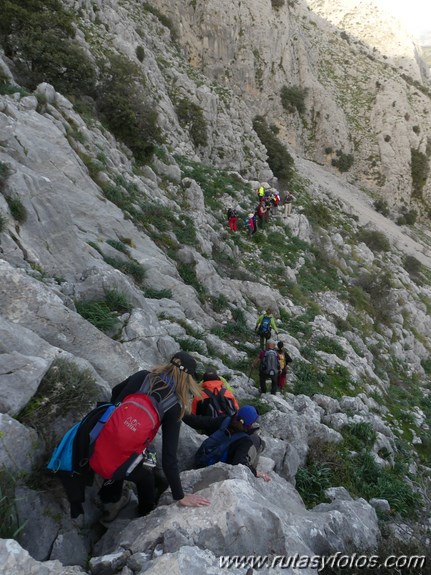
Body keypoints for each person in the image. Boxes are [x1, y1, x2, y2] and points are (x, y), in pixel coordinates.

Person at [59, 351, 210, 524]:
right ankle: (143, 512)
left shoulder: (143, 376)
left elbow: (116, 392)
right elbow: (169, 458)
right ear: (188, 379)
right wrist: (180, 495)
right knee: (145, 475)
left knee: (117, 444)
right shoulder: (174, 406)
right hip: (120, 453)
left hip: (93, 441)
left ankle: (111, 498)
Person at [183, 405, 271, 481]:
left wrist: (179, 413)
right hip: (214, 473)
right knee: (257, 441)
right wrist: (255, 472)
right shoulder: (245, 441)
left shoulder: (224, 420)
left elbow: (198, 421)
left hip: (200, 459)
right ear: (250, 425)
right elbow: (239, 463)